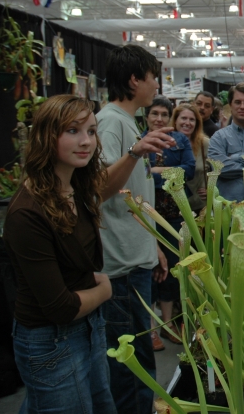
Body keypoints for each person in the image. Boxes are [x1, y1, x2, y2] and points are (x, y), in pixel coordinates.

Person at [4, 95, 117, 414]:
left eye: (91, 131)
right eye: (72, 130)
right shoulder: (27, 213)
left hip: (88, 327)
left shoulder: (75, 189)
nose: (86, 141)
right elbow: (60, 307)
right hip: (50, 339)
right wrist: (104, 290)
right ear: (46, 136)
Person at [96, 44, 177, 414]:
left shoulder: (127, 123)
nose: (156, 85)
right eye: (152, 77)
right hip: (121, 266)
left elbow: (131, 199)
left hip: (135, 258)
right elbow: (99, 188)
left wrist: (153, 246)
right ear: (134, 80)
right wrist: (134, 152)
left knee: (140, 356)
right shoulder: (111, 122)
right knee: (130, 367)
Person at [143, 97, 195, 351]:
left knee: (172, 270)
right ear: (147, 117)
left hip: (174, 212)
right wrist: (170, 173)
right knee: (151, 269)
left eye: (164, 114)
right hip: (148, 212)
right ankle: (151, 327)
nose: (159, 119)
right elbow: (140, 177)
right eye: (155, 114)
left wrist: (154, 172)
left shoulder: (180, 140)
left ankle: (167, 323)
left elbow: (189, 170)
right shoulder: (140, 142)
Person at [172, 103, 209, 215]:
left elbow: (218, 169)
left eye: (192, 119)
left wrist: (212, 190)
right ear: (175, 120)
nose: (187, 123)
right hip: (173, 208)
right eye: (183, 118)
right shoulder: (166, 143)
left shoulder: (204, 144)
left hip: (200, 207)